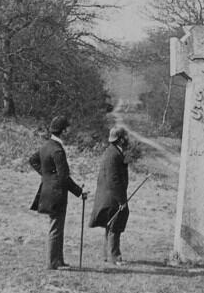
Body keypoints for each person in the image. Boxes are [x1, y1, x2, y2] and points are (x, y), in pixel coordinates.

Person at [29, 115, 87, 270]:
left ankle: (58, 260)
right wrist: (79, 191)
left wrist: (47, 176)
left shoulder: (46, 145)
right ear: (63, 131)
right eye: (68, 129)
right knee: (56, 228)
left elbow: (33, 160)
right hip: (56, 195)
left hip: (48, 192)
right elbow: (64, 177)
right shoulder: (57, 150)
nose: (70, 131)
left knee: (57, 227)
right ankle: (53, 262)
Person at [88, 126, 130, 265]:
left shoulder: (113, 152)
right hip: (112, 197)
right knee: (115, 227)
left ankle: (107, 255)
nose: (127, 139)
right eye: (125, 137)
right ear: (120, 139)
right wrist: (122, 200)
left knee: (111, 226)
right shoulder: (114, 155)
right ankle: (115, 257)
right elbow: (114, 180)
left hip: (110, 196)